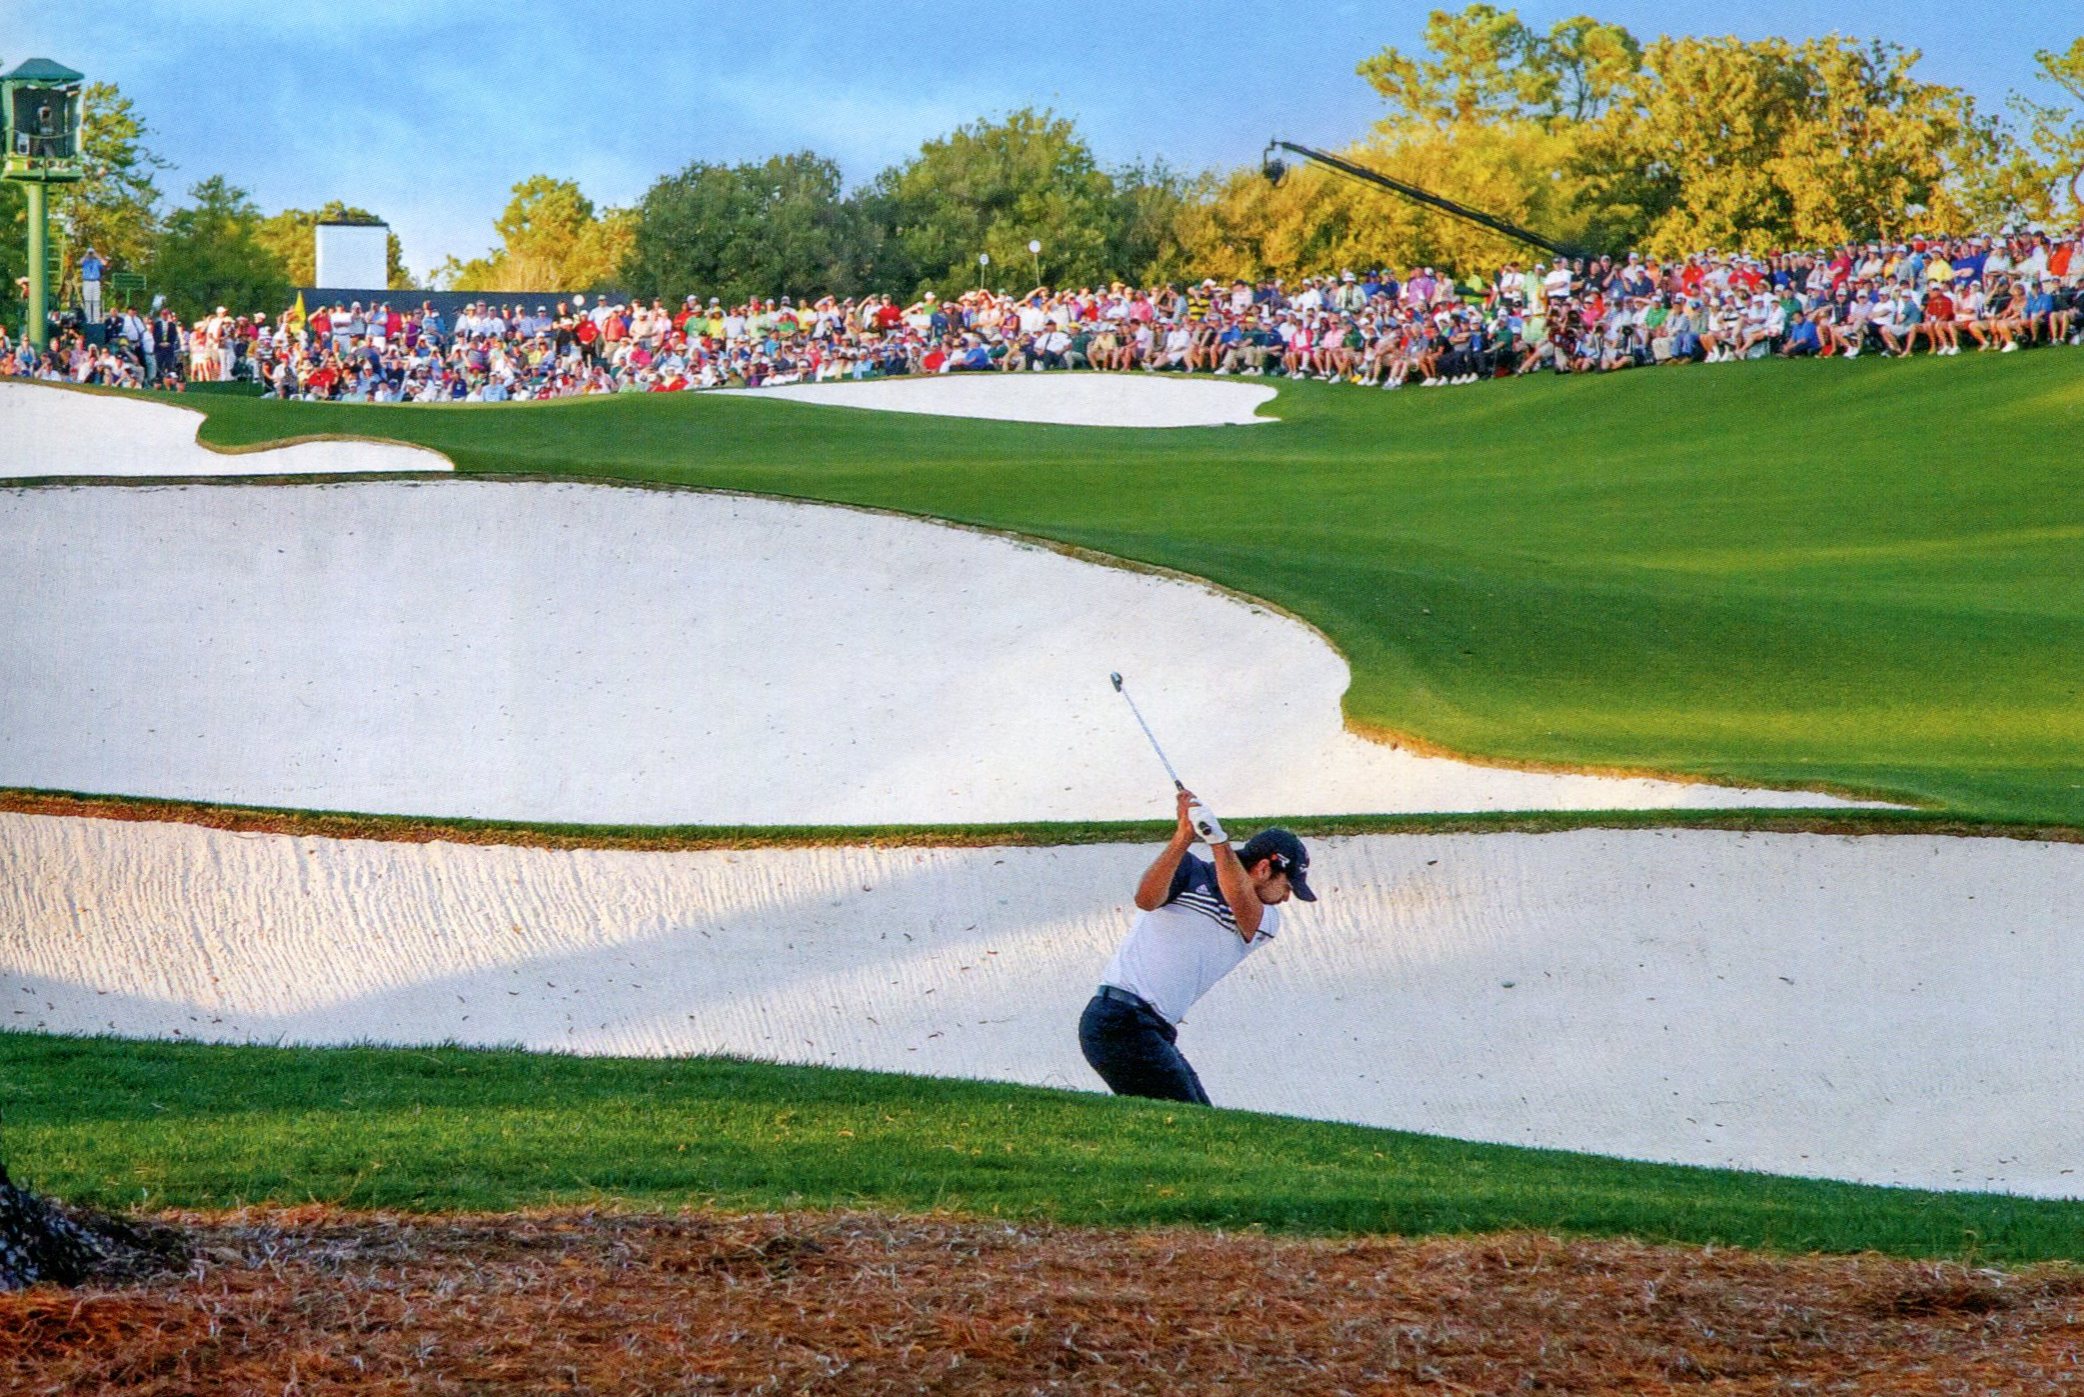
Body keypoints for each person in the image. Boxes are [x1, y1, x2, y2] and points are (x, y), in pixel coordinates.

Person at [1078, 788, 1316, 1105]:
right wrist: (1182, 839)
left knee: (1202, 1120)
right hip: (1119, 1020)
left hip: (1151, 1031)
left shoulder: (1266, 919)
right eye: (1287, 886)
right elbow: (1146, 900)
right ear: (1262, 869)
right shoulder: (1189, 871)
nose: (1287, 897)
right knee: (1190, 1124)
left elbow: (1240, 902)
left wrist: (1218, 841)